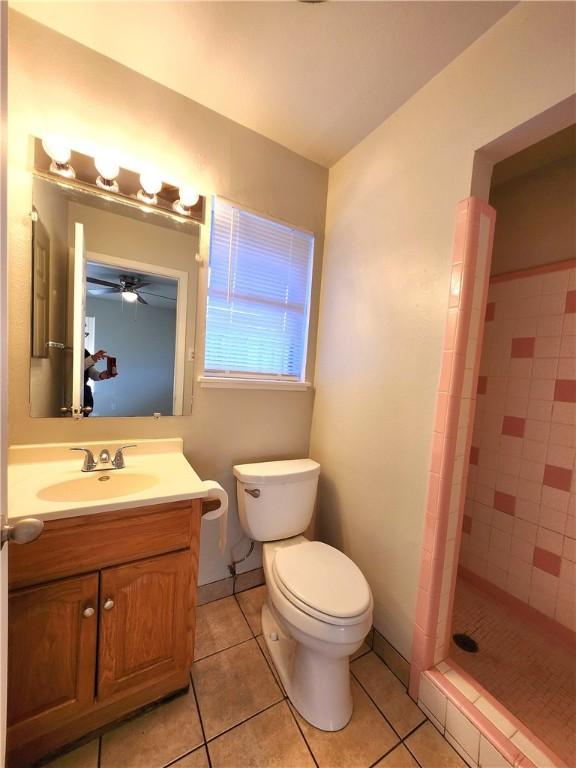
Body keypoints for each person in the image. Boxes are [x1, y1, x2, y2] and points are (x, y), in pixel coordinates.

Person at [84, 348, 117, 415]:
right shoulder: (65, 353)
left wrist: (101, 375)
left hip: (84, 395)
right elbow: (73, 371)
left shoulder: (84, 351)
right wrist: (93, 359)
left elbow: (92, 373)